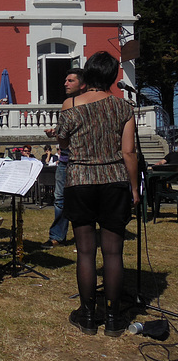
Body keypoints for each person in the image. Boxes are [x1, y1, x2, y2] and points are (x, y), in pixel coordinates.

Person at [54, 51, 138, 337]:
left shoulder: (71, 103)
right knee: (113, 252)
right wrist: (134, 188)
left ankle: (88, 316)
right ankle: (114, 318)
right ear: (113, 76)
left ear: (88, 74)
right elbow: (128, 151)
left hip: (80, 180)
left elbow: (63, 141)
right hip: (114, 180)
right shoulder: (123, 107)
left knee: (86, 252)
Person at [42, 68, 87, 249]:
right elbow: (65, 133)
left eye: (70, 80)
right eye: (65, 80)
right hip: (64, 160)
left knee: (82, 199)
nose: (65, 83)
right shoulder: (67, 104)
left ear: (82, 84)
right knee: (60, 199)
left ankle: (84, 234)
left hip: (81, 160)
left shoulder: (87, 106)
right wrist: (56, 132)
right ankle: (57, 236)